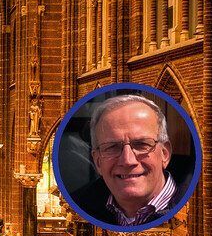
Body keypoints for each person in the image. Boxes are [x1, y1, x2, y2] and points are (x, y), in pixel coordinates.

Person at [73, 94, 186, 226]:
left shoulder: (191, 208)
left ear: (165, 154)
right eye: (112, 147)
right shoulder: (82, 206)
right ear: (98, 161)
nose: (127, 160)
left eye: (141, 144)